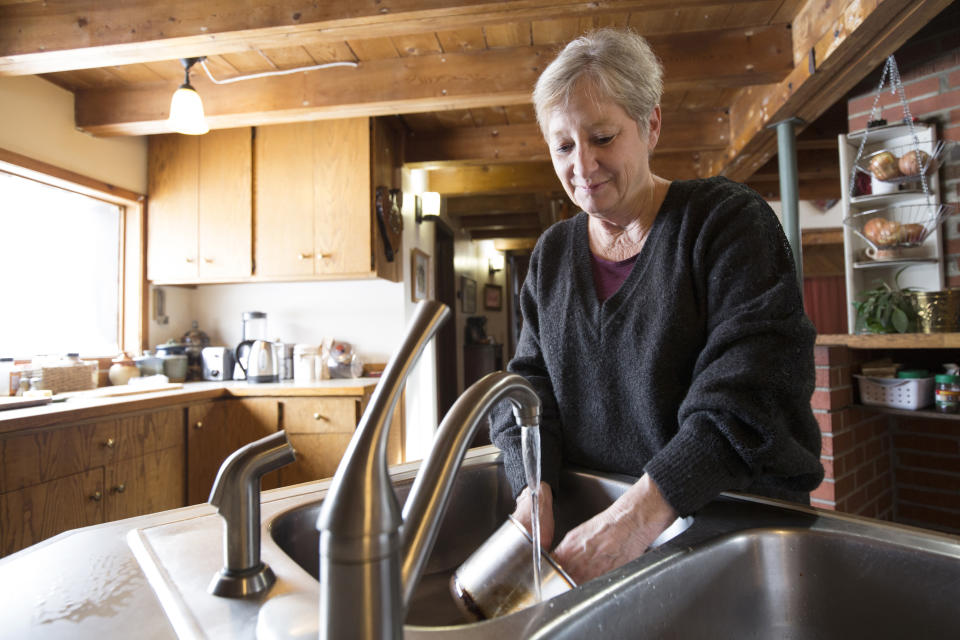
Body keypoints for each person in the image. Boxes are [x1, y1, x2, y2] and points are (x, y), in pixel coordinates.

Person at [489, 29, 824, 585]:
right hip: (608, 524)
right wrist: (533, 489)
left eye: (601, 137)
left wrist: (635, 518)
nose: (583, 164)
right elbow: (528, 389)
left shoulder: (726, 222)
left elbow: (749, 395)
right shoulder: (551, 255)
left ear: (651, 127)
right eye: (564, 146)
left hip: (730, 530)